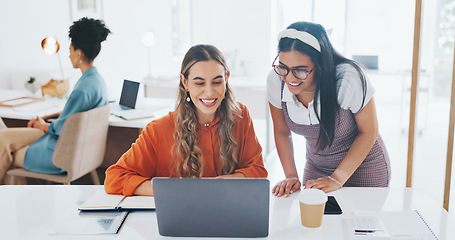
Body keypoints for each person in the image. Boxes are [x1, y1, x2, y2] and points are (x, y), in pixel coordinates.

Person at [104, 44, 267, 196]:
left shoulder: (240, 116)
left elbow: (258, 171)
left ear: (226, 78)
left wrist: (215, 185)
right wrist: (175, 191)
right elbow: (115, 178)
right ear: (185, 82)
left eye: (217, 82)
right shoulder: (158, 130)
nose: (209, 92)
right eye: (199, 83)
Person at [268, 21, 390, 196]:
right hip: (317, 169)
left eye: (300, 70)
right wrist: (291, 176)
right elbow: (281, 132)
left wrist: (337, 178)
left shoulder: (348, 78)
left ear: (320, 65)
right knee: (313, 221)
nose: (289, 78)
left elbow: (369, 131)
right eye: (283, 67)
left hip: (363, 168)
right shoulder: (276, 80)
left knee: (357, 223)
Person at [0, 17, 110, 184]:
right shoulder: (97, 81)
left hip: (56, 153)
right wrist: (44, 125)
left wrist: (43, 125)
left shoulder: (82, 89)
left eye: (70, 50)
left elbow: (62, 129)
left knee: (7, 150)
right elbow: (69, 123)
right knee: (3, 139)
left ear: (78, 54)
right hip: (68, 146)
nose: (68, 55)